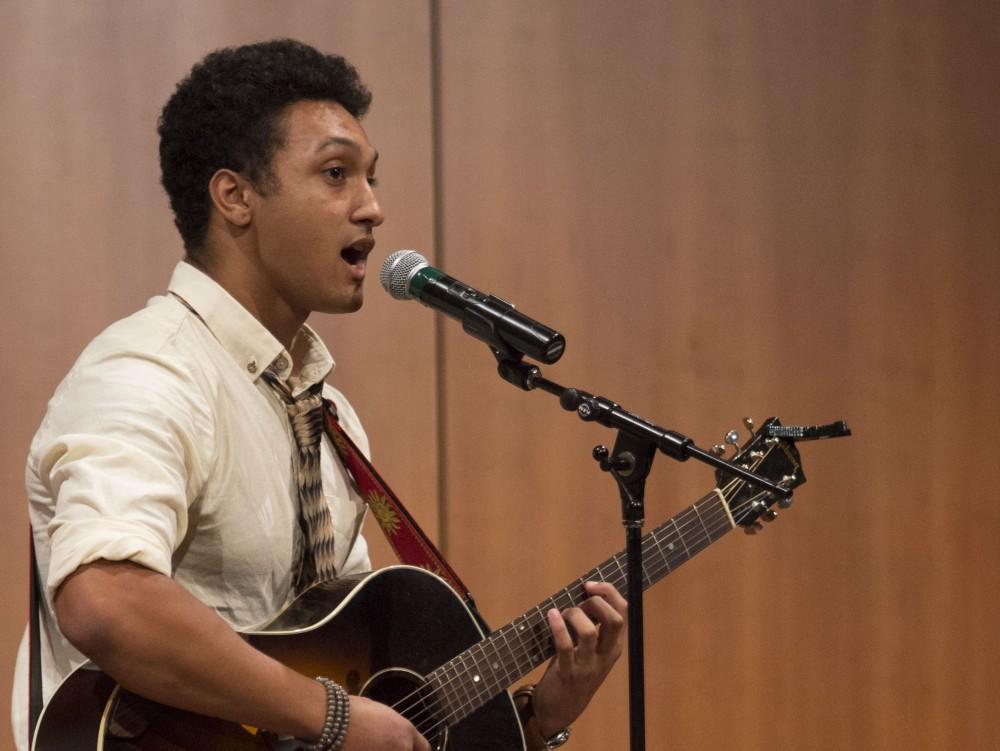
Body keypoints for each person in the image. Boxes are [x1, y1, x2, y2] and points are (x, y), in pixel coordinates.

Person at [12, 39, 627, 751]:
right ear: (235, 196)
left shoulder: (326, 420)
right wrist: (328, 715)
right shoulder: (149, 372)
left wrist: (537, 715)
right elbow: (107, 602)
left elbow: (367, 705)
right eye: (336, 175)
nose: (372, 208)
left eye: (370, 179)